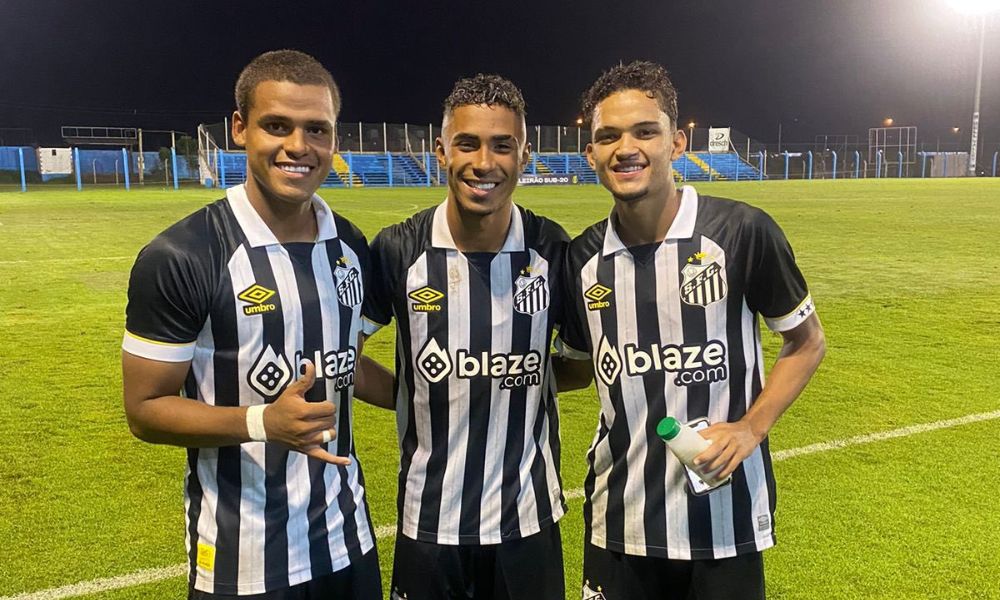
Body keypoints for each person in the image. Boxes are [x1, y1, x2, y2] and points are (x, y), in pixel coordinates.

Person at [556, 60, 827, 600]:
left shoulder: (742, 231)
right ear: (591, 153)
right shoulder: (581, 258)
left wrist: (750, 428)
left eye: (645, 132)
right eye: (607, 136)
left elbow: (807, 340)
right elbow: (575, 369)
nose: (624, 148)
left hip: (725, 522)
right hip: (620, 519)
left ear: (677, 142)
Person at [121, 49, 383, 599]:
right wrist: (265, 422)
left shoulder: (351, 246)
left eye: (317, 129)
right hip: (243, 561)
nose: (299, 146)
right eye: (277, 126)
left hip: (348, 541)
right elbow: (145, 411)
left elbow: (344, 361)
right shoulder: (183, 255)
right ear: (240, 129)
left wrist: (432, 389)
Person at [362, 74, 568, 600]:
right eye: (467, 143)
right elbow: (346, 356)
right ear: (440, 151)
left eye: (503, 145)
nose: (484, 162)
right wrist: (411, 390)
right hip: (429, 519)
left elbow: (585, 360)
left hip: (528, 518)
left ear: (525, 154)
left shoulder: (552, 249)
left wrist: (519, 381)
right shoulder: (398, 251)